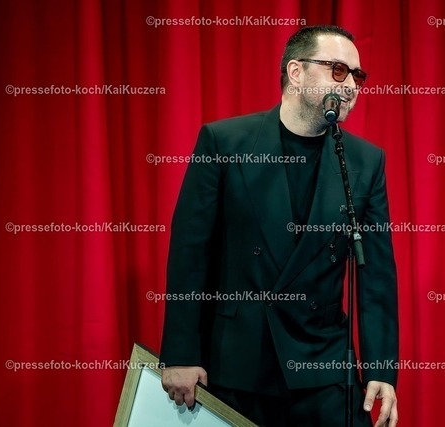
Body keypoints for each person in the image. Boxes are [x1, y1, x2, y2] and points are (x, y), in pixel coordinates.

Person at [160, 25, 399, 427]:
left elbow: (375, 274)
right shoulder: (224, 142)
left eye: (357, 76)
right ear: (296, 72)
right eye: (338, 70)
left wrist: (380, 368)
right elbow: (191, 253)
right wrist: (182, 353)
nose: (351, 86)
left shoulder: (365, 161)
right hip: (238, 363)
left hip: (322, 367)